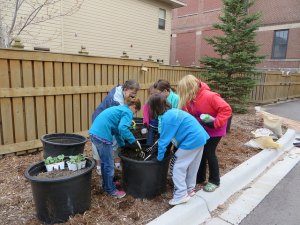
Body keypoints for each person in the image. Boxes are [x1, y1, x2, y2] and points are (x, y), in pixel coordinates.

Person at [148, 94, 209, 205]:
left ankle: (180, 195)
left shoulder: (168, 117)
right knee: (192, 166)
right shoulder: (174, 112)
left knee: (177, 166)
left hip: (191, 140)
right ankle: (190, 190)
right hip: (200, 137)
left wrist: (159, 158)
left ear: (155, 107)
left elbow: (164, 141)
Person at [177, 74, 232, 192]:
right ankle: (200, 177)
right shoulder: (191, 98)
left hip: (215, 130)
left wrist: (216, 123)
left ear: (190, 88)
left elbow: (226, 109)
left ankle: (214, 180)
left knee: (209, 152)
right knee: (200, 152)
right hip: (202, 129)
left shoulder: (210, 96)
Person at [89, 98, 142, 198]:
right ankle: (111, 190)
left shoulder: (120, 109)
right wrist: (133, 141)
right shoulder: (128, 112)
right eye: (136, 111)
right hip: (102, 135)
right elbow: (123, 128)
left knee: (105, 162)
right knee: (109, 164)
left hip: (95, 133)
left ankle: (107, 185)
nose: (134, 114)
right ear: (134, 107)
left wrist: (123, 145)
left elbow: (117, 131)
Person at [91, 80, 140, 175]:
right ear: (125, 89)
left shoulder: (121, 90)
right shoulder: (116, 100)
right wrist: (132, 141)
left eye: (135, 94)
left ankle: (116, 164)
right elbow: (121, 128)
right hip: (100, 124)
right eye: (132, 93)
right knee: (101, 145)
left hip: (106, 123)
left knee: (115, 141)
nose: (133, 96)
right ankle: (99, 167)